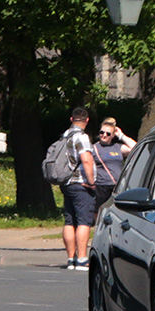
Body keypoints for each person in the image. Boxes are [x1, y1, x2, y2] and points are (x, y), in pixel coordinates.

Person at [58, 106, 97, 271]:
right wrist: (92, 181)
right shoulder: (82, 137)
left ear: (71, 119)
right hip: (80, 183)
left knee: (69, 220)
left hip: (66, 183)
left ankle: (70, 258)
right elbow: (86, 160)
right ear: (87, 120)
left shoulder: (65, 136)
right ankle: (81, 258)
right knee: (84, 221)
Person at [92, 117, 134, 207]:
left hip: (117, 185)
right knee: (100, 209)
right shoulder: (94, 148)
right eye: (102, 132)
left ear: (113, 135)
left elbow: (135, 148)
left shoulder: (117, 147)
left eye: (108, 133)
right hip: (101, 185)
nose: (104, 135)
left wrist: (121, 135)